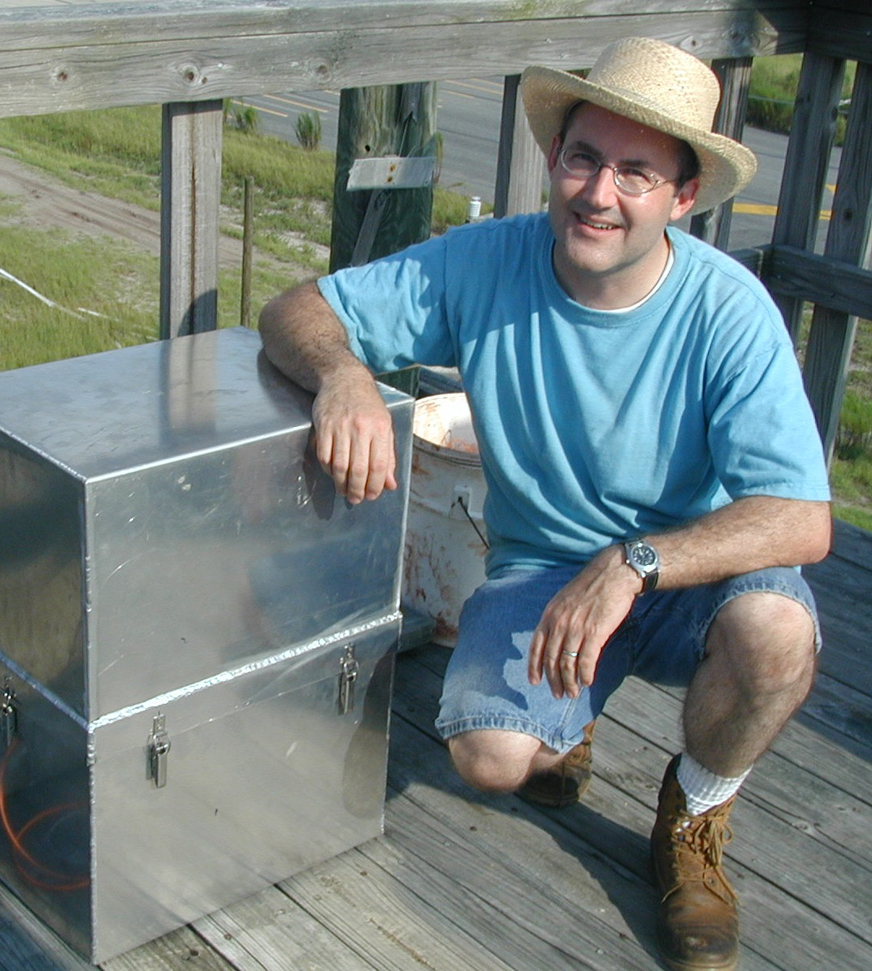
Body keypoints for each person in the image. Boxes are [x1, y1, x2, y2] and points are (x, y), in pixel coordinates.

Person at [259, 36, 832, 971]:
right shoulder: (485, 261)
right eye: (583, 158)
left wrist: (637, 562)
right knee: (486, 760)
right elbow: (296, 309)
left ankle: (694, 816)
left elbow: (804, 520)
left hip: (690, 568)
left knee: (777, 634)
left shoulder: (730, 311)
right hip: (544, 565)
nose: (598, 193)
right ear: (554, 161)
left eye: (637, 173)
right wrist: (345, 379)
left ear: (683, 198)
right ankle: (568, 728)